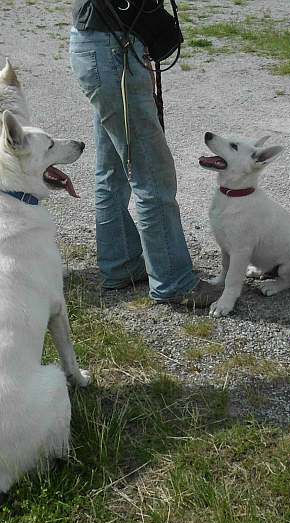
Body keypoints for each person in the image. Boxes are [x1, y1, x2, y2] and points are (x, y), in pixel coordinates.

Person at [69, 0, 221, 308]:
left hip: (100, 43)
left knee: (112, 168)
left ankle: (121, 264)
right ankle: (174, 282)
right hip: (113, 49)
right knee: (151, 174)